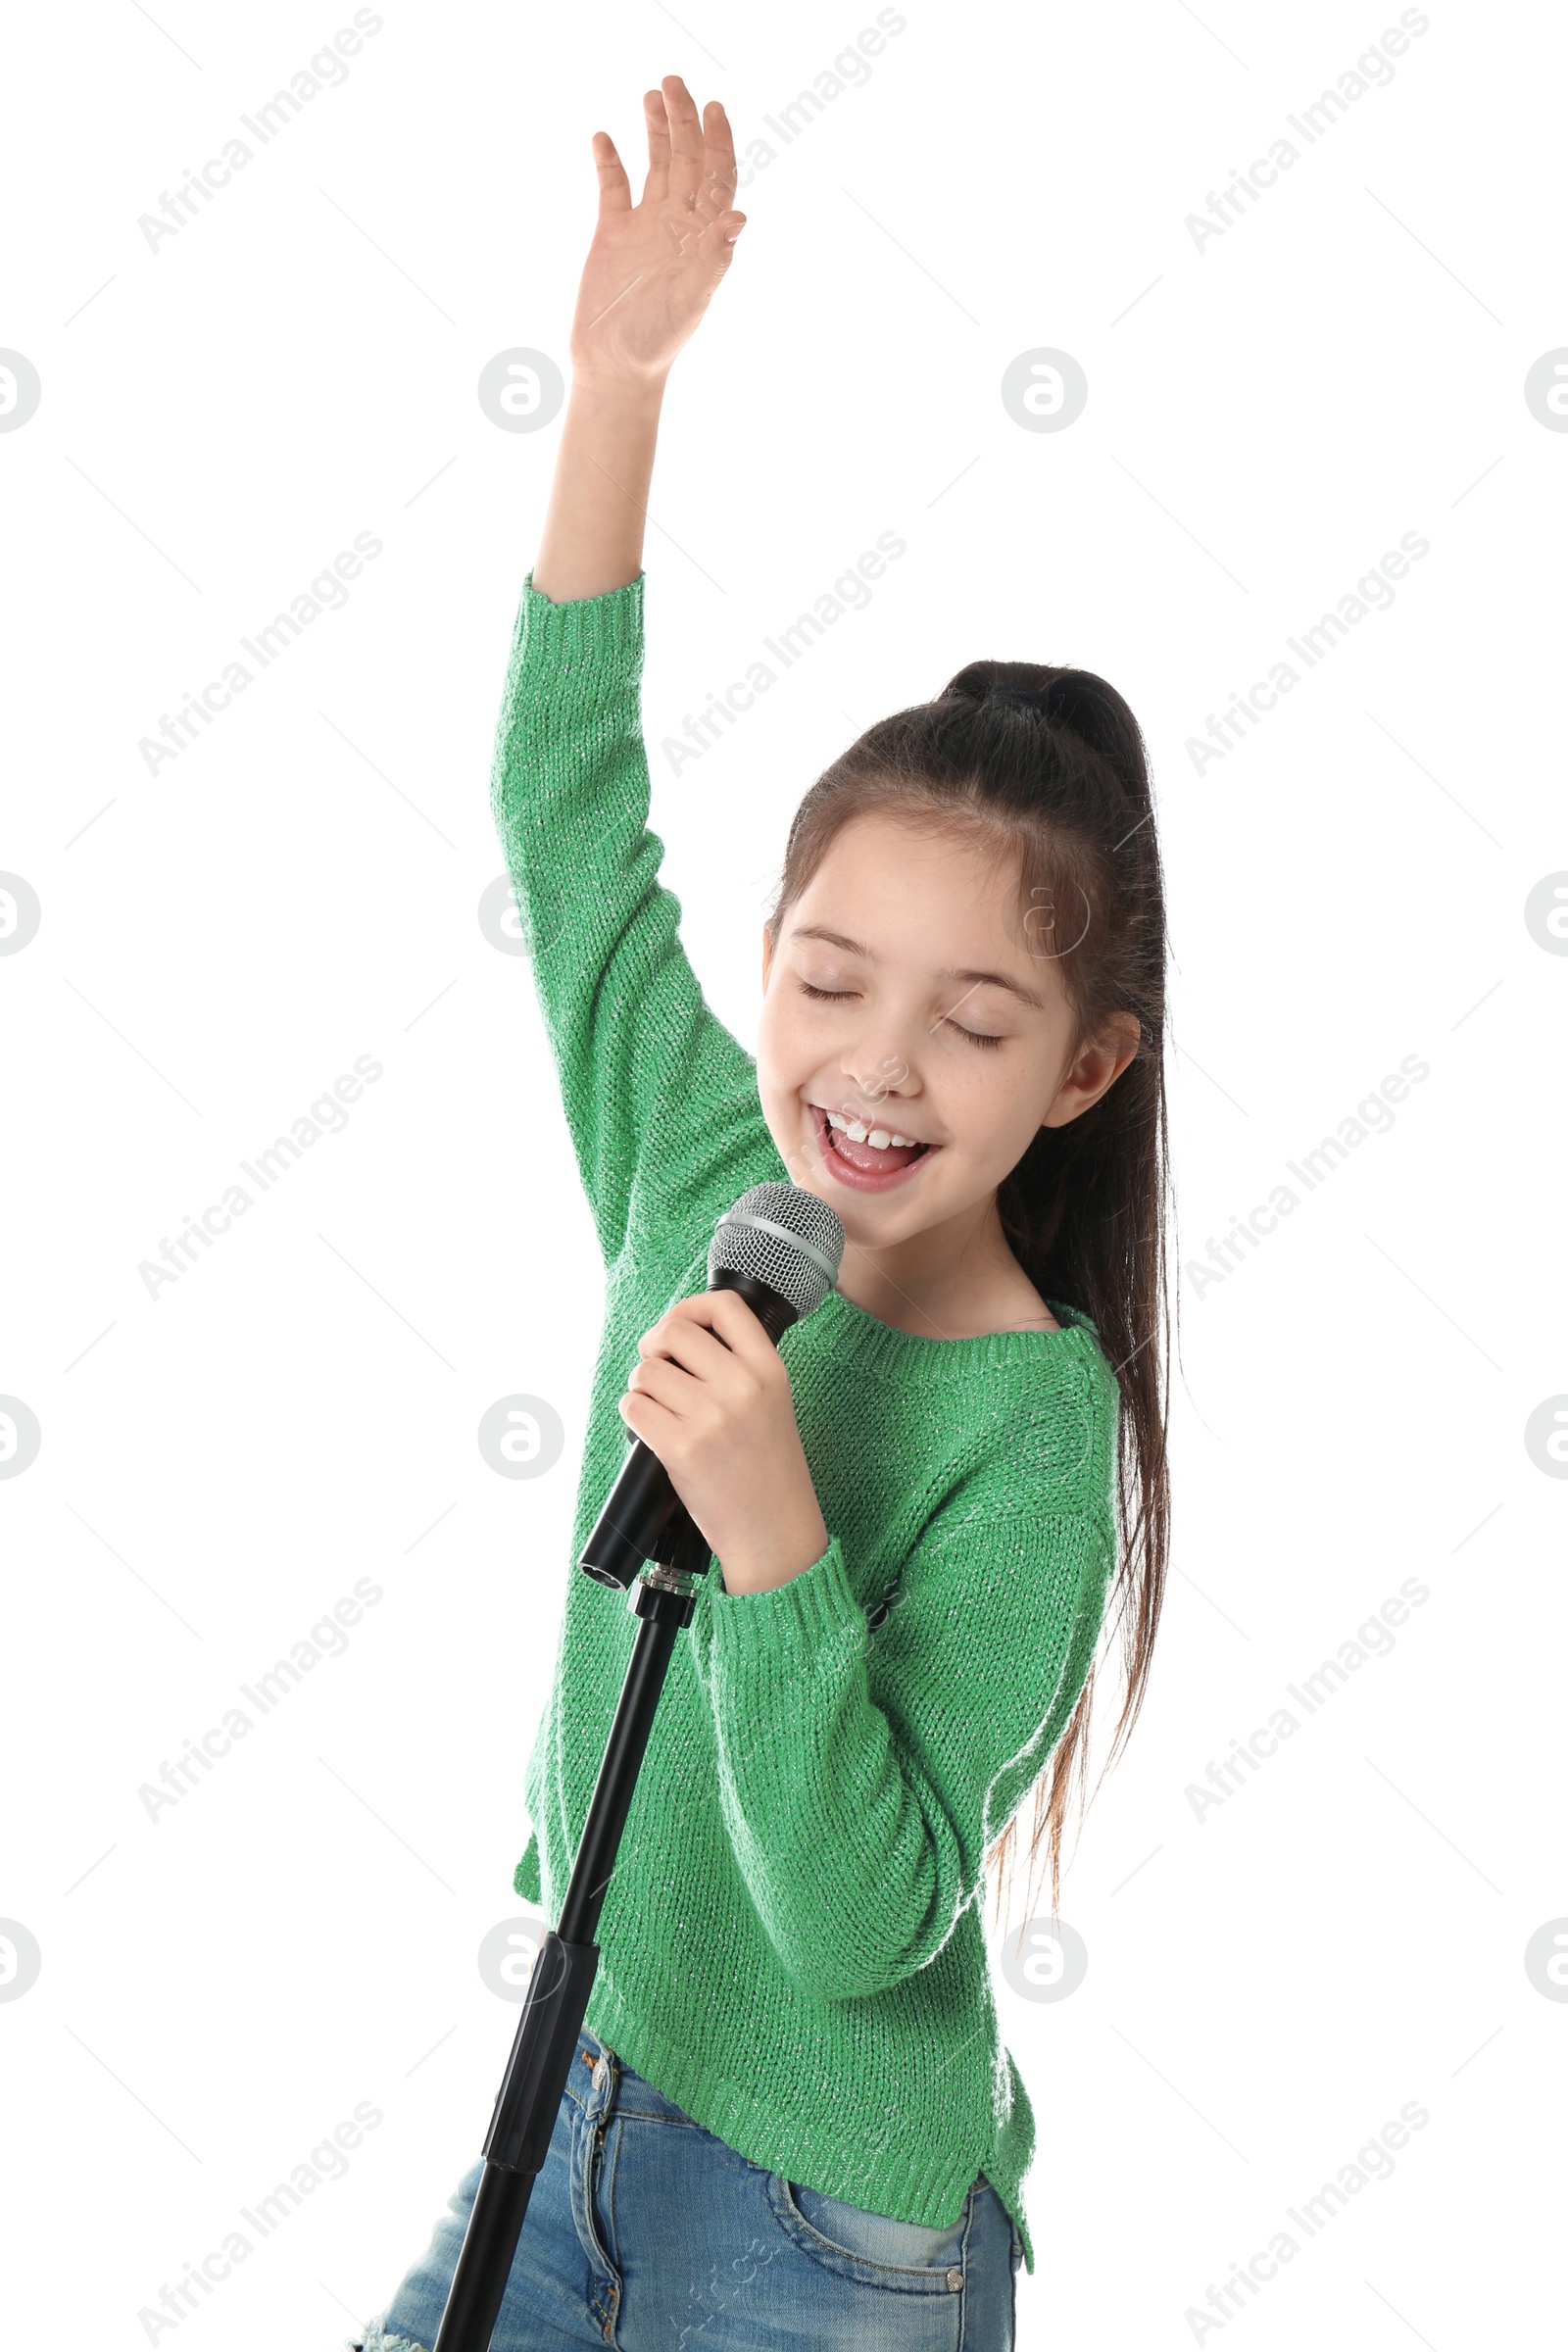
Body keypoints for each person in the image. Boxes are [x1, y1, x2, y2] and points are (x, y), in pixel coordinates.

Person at [349, 70, 1172, 2352]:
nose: (875, 1068)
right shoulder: (696, 1158)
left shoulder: (1032, 1435)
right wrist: (614, 387)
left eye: (972, 1024)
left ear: (1081, 1073)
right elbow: (564, 799)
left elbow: (855, 1920)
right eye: (826, 980)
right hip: (570, 2088)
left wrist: (774, 1528)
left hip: (828, 2212)